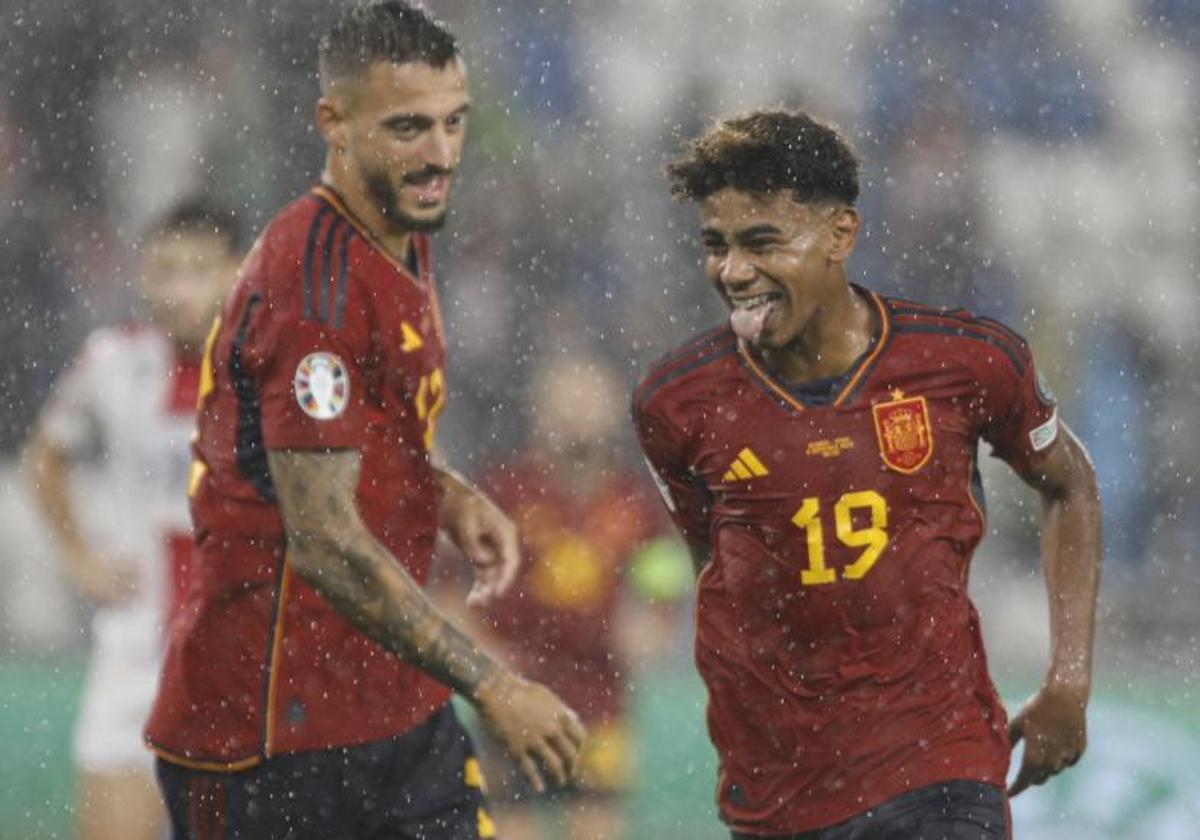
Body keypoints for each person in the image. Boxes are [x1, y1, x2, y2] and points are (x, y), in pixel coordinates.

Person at [144, 3, 584, 838]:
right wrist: (494, 684)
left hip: (390, 706)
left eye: (455, 123)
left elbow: (372, 423)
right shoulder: (313, 290)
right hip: (266, 740)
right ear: (334, 124)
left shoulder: (398, 226)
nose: (441, 155)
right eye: (410, 128)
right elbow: (326, 543)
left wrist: (444, 491)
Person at [632, 109, 1102, 839]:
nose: (733, 271)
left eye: (762, 242)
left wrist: (1069, 680)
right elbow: (714, 565)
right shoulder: (676, 403)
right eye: (715, 246)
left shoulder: (964, 361)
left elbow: (1069, 485)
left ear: (840, 236)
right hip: (778, 788)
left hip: (938, 764)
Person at [24, 199, 243, 840]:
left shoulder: (270, 369)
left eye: (197, 270)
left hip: (241, 655)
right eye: (163, 271)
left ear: (237, 271)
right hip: (136, 649)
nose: (176, 290)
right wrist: (78, 557)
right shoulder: (113, 362)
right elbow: (45, 458)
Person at [451, 354, 685, 840]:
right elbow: (451, 593)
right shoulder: (504, 488)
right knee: (510, 827)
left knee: (596, 826)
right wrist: (487, 666)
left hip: (598, 703)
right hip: (513, 704)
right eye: (565, 401)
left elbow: (662, 588)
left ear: (609, 411)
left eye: (588, 401)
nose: (577, 413)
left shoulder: (634, 501)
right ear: (540, 409)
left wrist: (651, 629)